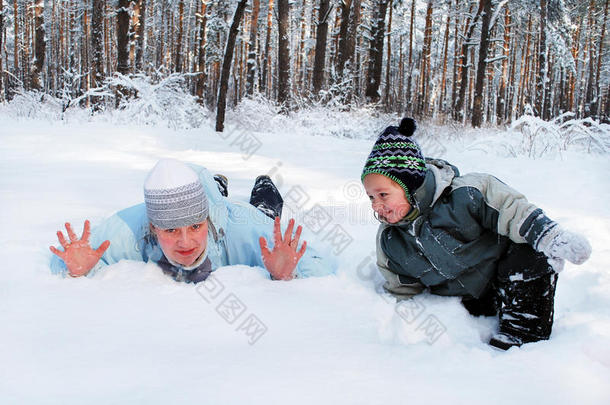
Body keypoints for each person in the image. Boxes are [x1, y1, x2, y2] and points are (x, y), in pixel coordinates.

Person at [361, 118, 592, 350]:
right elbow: (401, 288)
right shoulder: (392, 242)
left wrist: (549, 236)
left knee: (529, 249)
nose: (376, 205)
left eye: (383, 195)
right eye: (371, 197)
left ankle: (523, 333)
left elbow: (513, 210)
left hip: (508, 279)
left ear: (410, 184)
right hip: (471, 301)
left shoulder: (466, 194)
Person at [50, 158, 335, 283]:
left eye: (195, 227)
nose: (185, 242)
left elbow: (321, 265)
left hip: (240, 215)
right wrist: (79, 270)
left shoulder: (243, 227)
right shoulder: (129, 227)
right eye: (171, 229)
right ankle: (216, 184)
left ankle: (261, 185)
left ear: (207, 221)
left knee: (264, 210)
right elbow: (67, 259)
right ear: (153, 226)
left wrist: (286, 275)